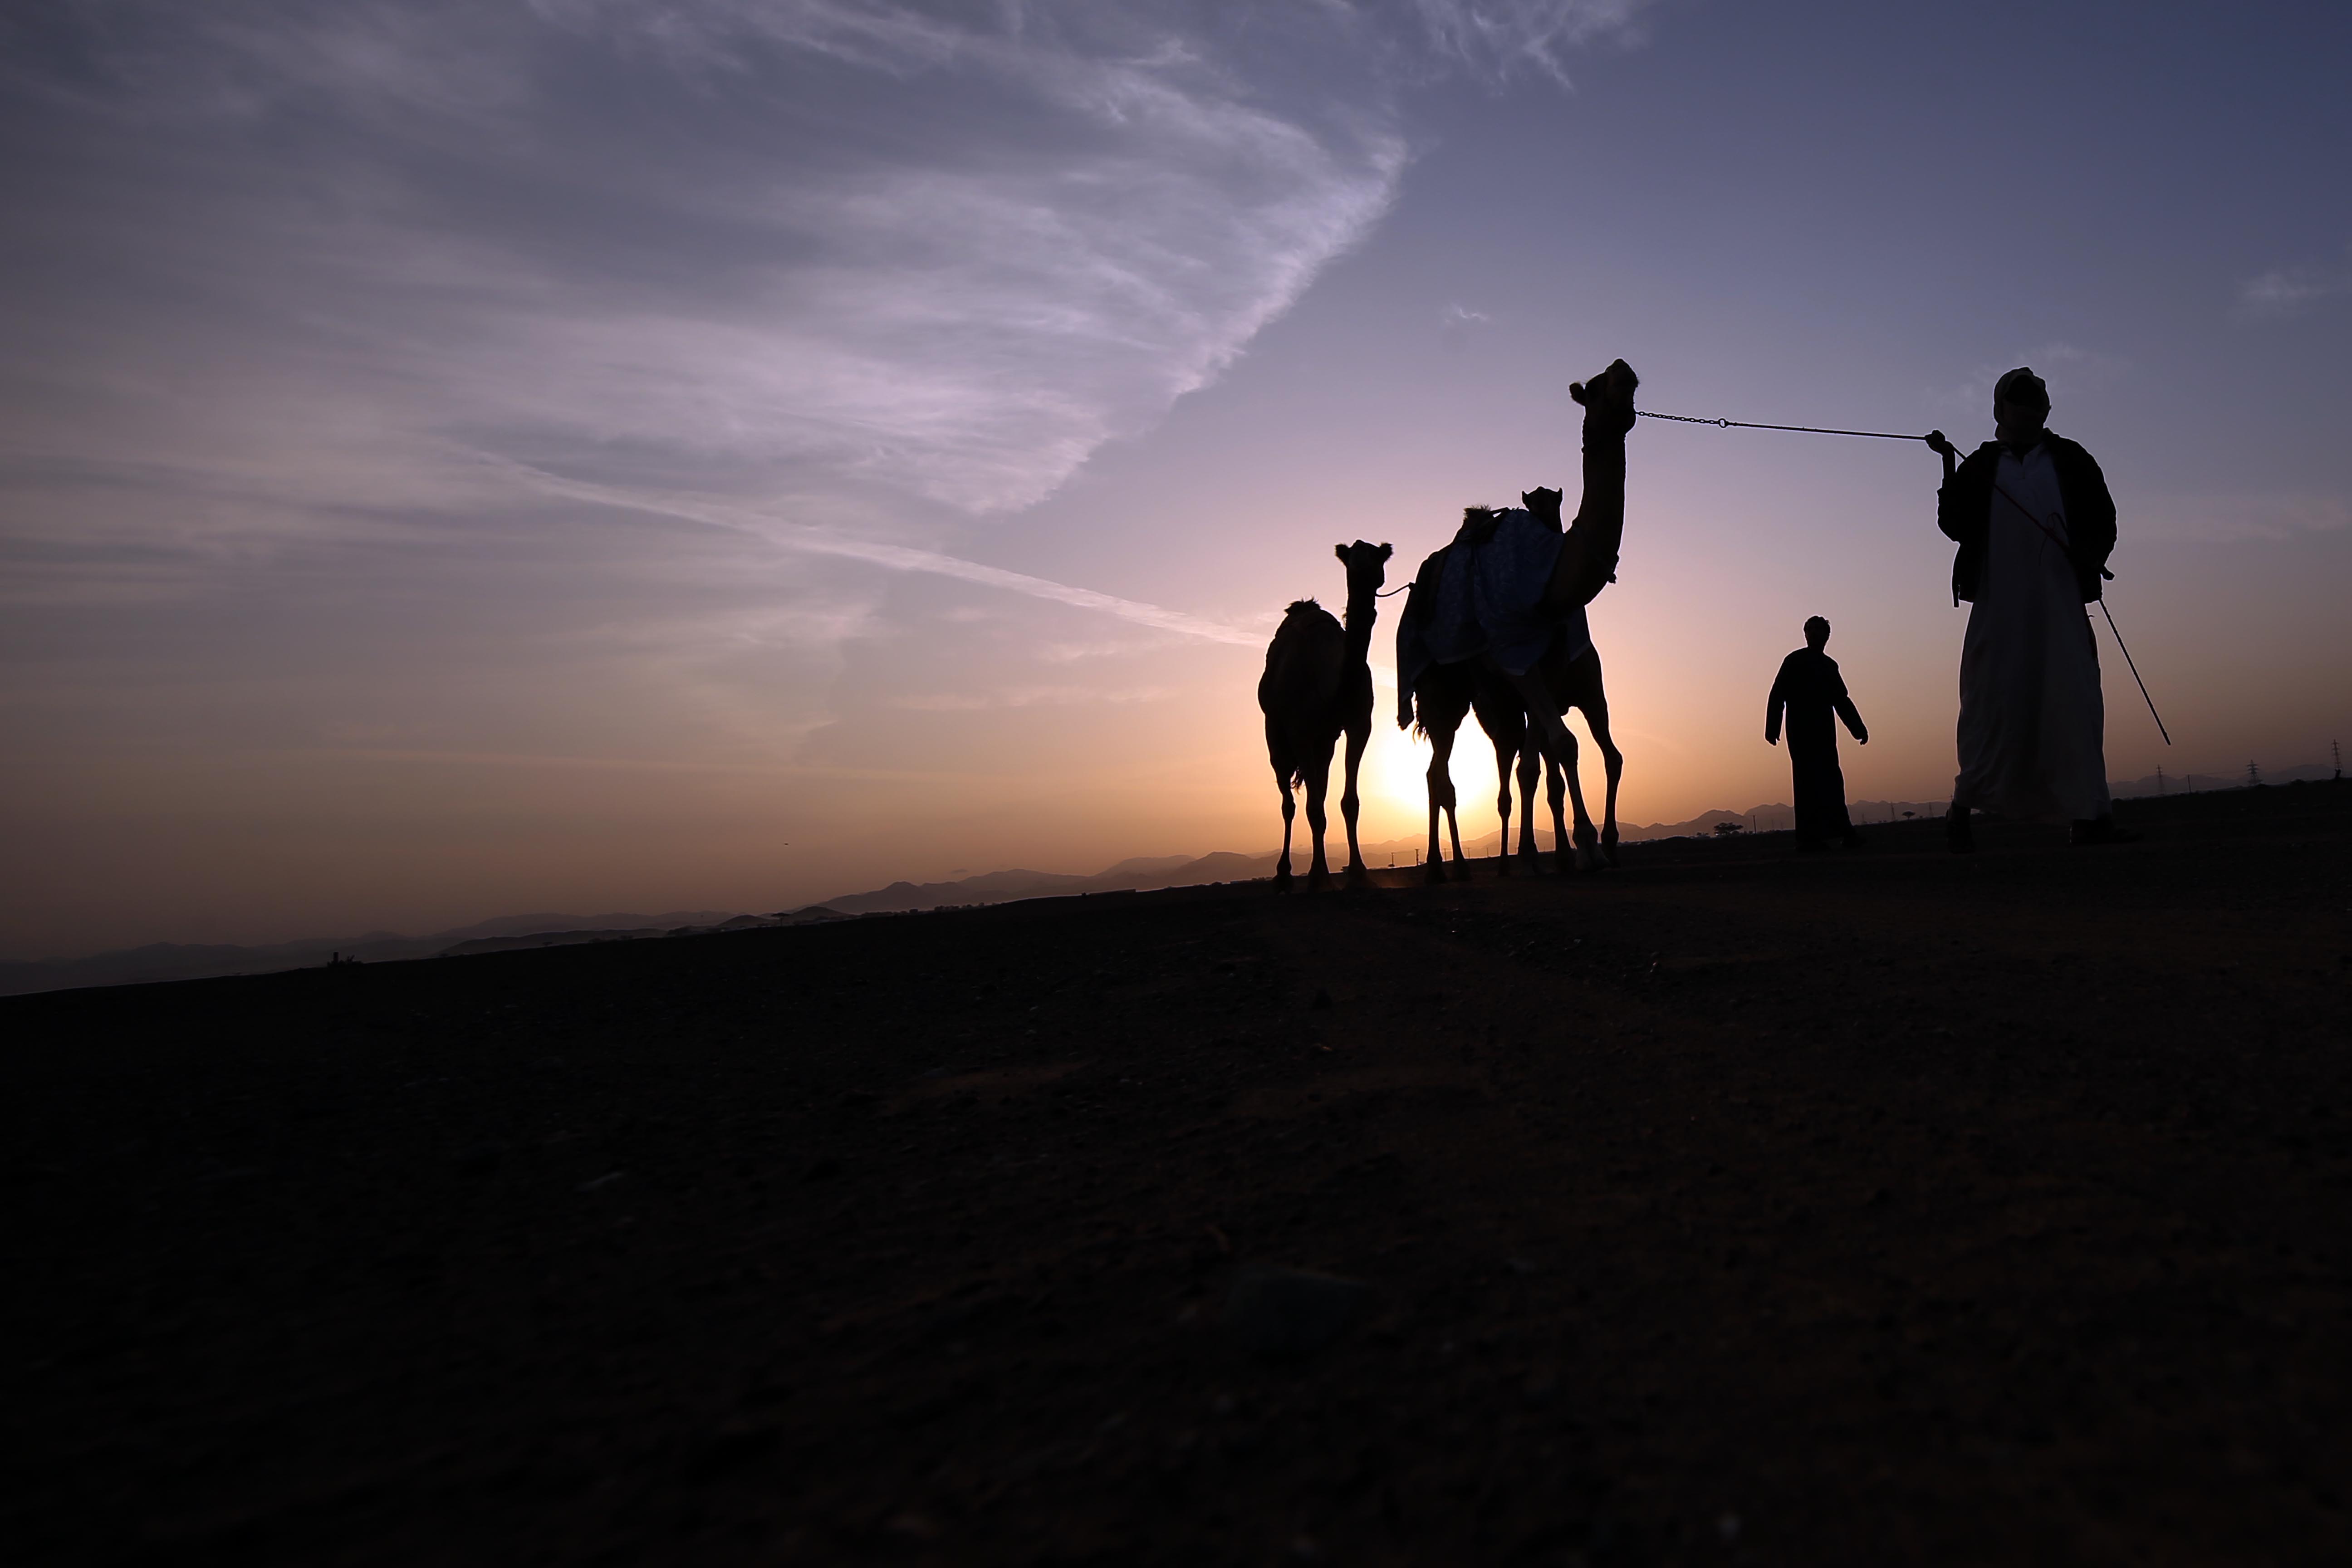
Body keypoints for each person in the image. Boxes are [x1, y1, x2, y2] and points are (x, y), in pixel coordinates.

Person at [1926, 368, 2132, 852]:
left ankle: (2091, 818)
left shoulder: (2070, 460)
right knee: (1990, 705)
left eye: (2035, 402)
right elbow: (1953, 523)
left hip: (2059, 608)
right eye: (2018, 402)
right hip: (2001, 609)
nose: (2027, 410)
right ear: (2000, 411)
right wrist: (1946, 465)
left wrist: (2091, 554)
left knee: (2074, 702)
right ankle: (1962, 811)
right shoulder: (1981, 464)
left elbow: (2104, 519)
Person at [1765, 616, 1868, 850]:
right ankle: (1808, 839)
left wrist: (1857, 728)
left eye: (1819, 629)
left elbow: (1841, 700)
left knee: (1832, 781)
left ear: (1827, 635)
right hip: (1800, 732)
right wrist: (1773, 727)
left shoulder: (1829, 666)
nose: (1815, 633)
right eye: (1810, 629)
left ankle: (1844, 832)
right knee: (1805, 783)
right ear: (1805, 634)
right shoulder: (1794, 660)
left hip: (1824, 732)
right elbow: (1777, 694)